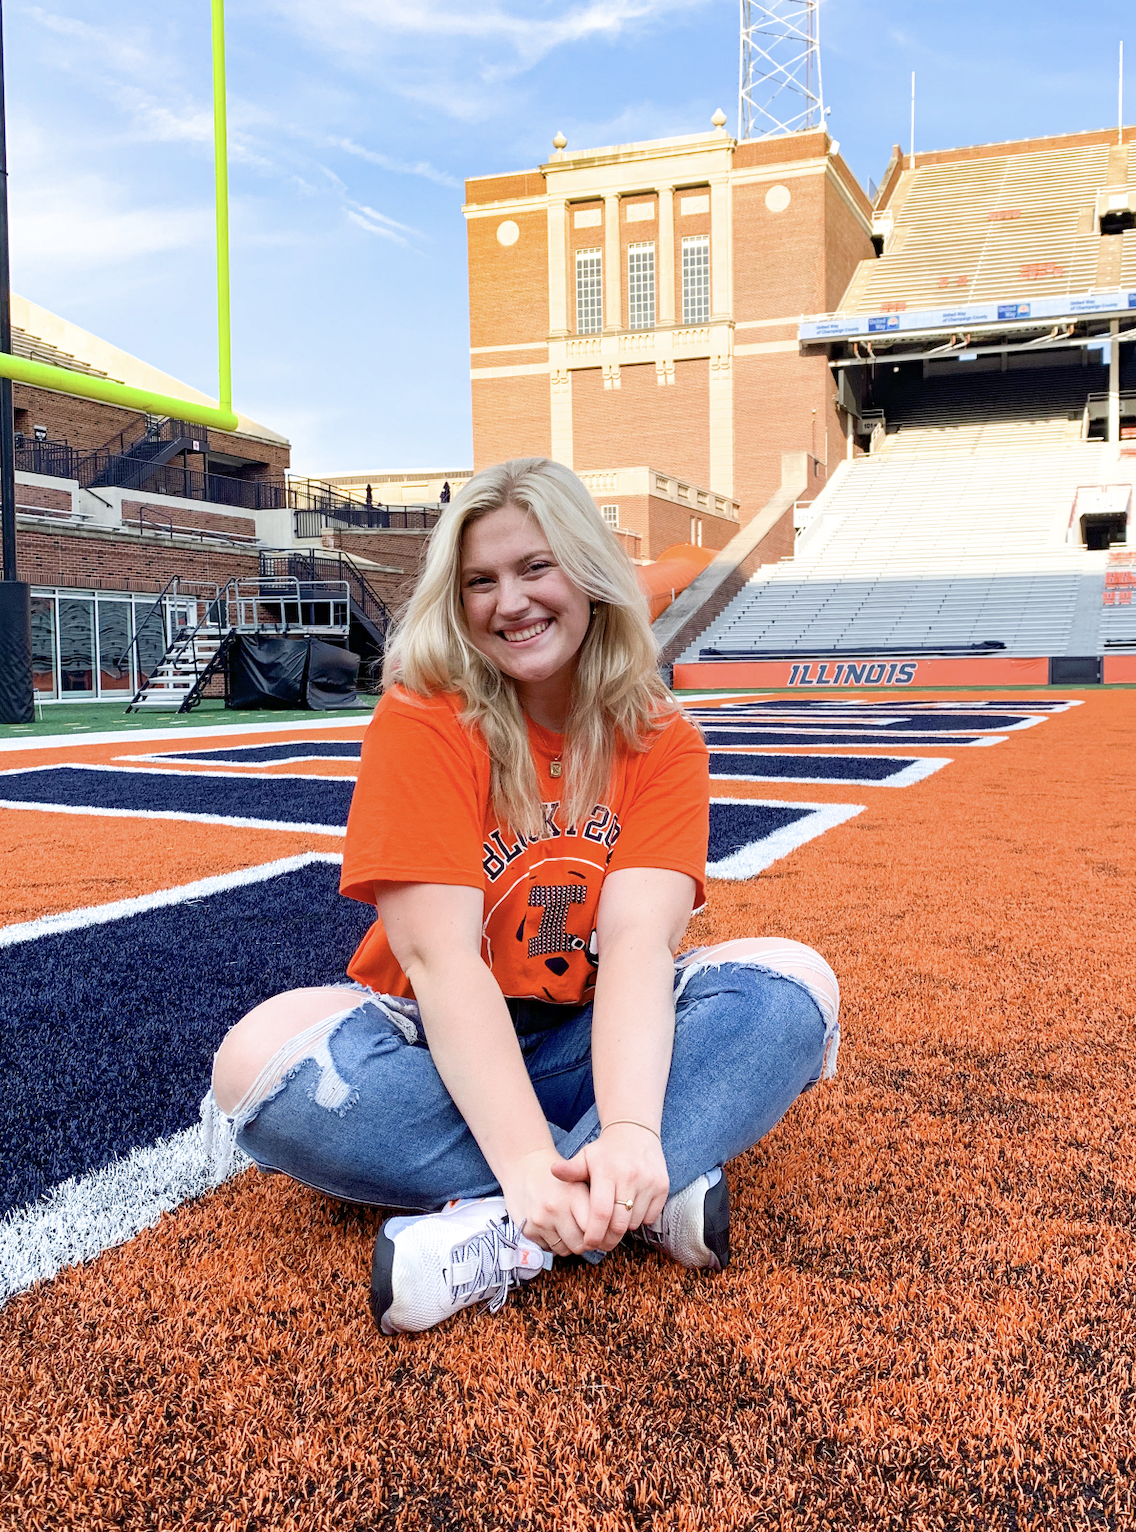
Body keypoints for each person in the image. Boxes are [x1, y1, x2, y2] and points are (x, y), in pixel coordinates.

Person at [204, 458, 840, 1336]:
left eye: (536, 567)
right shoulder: (426, 715)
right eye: (480, 581)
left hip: (586, 1035)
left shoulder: (660, 741)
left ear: (587, 573)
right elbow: (436, 958)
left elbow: (636, 950)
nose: (511, 602)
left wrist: (628, 1127)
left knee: (793, 989)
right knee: (253, 1064)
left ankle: (506, 1234)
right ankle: (631, 1200)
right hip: (434, 1034)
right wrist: (531, 1156)